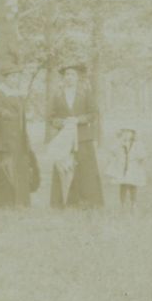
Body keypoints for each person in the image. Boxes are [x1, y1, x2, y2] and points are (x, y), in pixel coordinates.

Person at [47, 64, 104, 209]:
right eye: (67, 74)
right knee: (64, 166)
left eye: (72, 74)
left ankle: (89, 201)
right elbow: (51, 117)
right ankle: (63, 202)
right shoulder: (57, 95)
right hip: (65, 137)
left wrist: (78, 120)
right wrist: (62, 122)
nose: (69, 77)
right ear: (63, 77)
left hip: (83, 137)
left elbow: (93, 113)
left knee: (86, 168)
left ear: (78, 77)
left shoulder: (85, 93)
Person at [0, 58, 33, 208]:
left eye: (17, 77)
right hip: (5, 135)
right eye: (12, 77)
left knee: (20, 167)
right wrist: (8, 115)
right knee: (6, 167)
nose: (15, 80)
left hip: (19, 135)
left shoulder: (18, 93)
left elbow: (22, 113)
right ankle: (5, 202)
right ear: (6, 78)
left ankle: (21, 201)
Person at [106, 126, 146, 211]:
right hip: (123, 168)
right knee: (123, 185)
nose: (127, 134)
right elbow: (113, 150)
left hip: (133, 167)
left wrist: (140, 160)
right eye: (125, 132)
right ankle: (122, 203)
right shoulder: (120, 143)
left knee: (133, 185)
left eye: (129, 132)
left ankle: (133, 203)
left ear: (133, 134)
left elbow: (142, 155)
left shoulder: (137, 143)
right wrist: (119, 141)